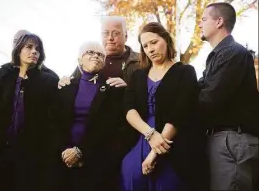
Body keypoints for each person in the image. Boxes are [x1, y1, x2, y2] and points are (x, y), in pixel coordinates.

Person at [0, 33, 59, 191]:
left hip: (29, 155)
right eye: (29, 47)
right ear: (18, 50)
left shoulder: (49, 81)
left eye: (38, 49)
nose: (34, 52)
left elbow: (52, 120)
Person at [121, 22, 201, 191]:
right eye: (145, 46)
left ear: (166, 39)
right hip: (140, 139)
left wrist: (154, 153)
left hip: (171, 144)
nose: (150, 49)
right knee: (131, 176)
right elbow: (129, 109)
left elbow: (180, 111)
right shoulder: (138, 75)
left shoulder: (185, 72)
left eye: (154, 42)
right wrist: (149, 134)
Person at [198, 2, 259, 190]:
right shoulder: (220, 55)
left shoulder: (233, 53)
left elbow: (209, 98)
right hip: (225, 141)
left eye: (204, 19)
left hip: (232, 141)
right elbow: (198, 87)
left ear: (219, 22)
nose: (200, 24)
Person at [53, 41, 125, 191]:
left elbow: (107, 127)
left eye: (100, 54)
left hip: (96, 160)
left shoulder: (112, 89)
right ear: (79, 59)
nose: (96, 56)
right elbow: (55, 123)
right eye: (90, 52)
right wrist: (66, 151)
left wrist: (80, 151)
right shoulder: (65, 86)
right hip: (64, 159)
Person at [58, 16, 140, 88]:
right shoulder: (89, 60)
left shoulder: (140, 61)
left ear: (125, 36)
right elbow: (74, 85)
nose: (110, 38)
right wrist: (64, 82)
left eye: (115, 33)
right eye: (105, 33)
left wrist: (128, 89)